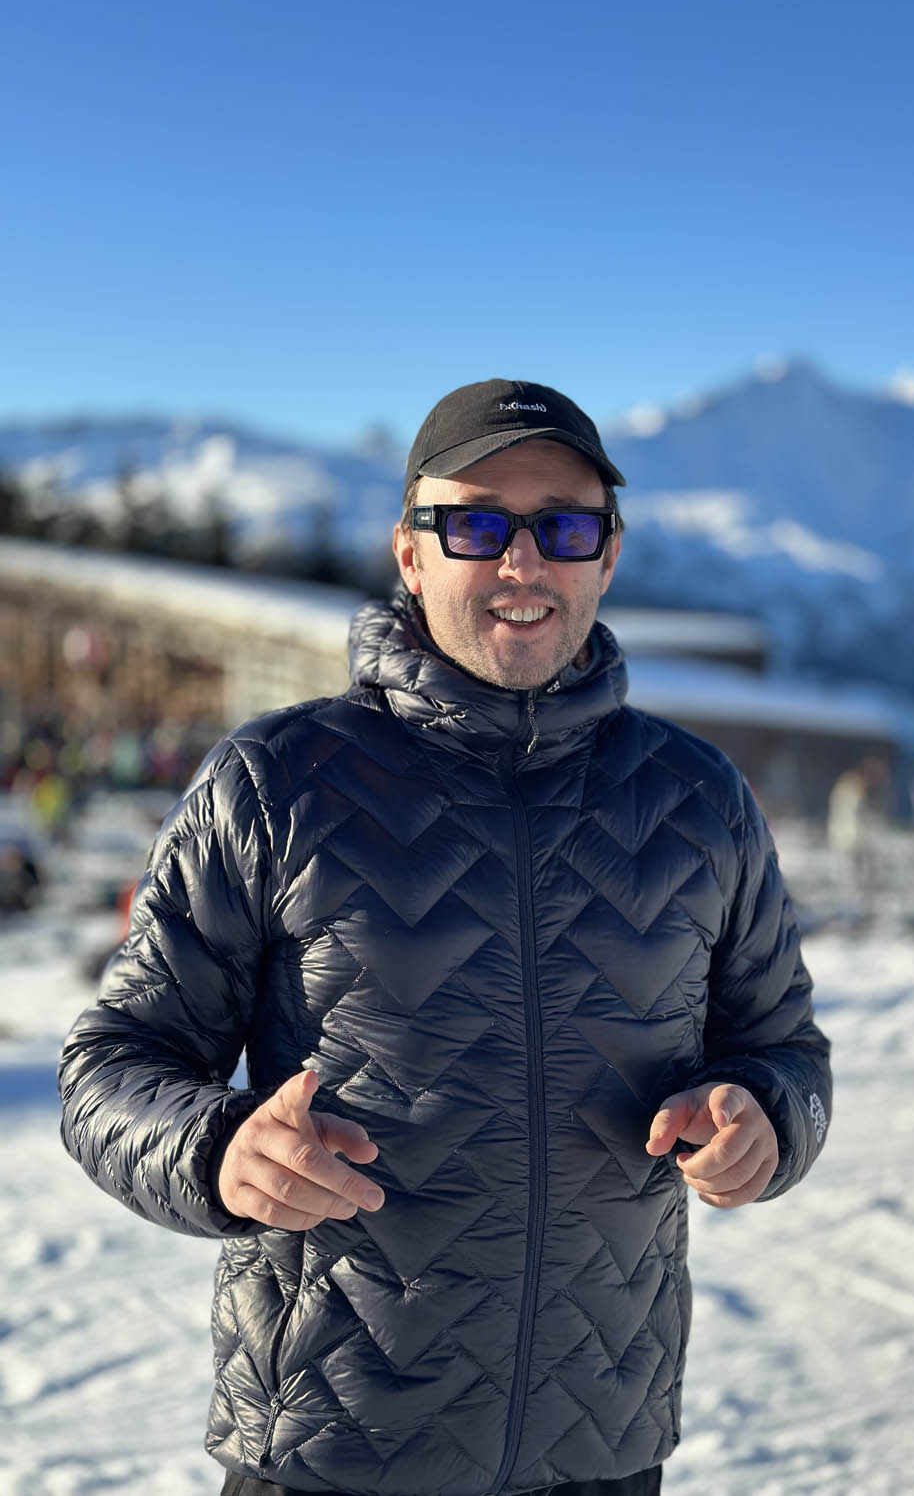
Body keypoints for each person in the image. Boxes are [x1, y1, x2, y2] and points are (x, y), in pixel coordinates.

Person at [59, 379, 832, 1496]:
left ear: (608, 557)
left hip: (599, 1450)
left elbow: (786, 1052)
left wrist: (767, 1117)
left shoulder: (698, 799)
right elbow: (108, 1068)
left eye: (563, 528)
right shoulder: (276, 784)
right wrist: (217, 1150)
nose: (522, 562)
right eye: (475, 526)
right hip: (330, 1452)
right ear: (410, 555)